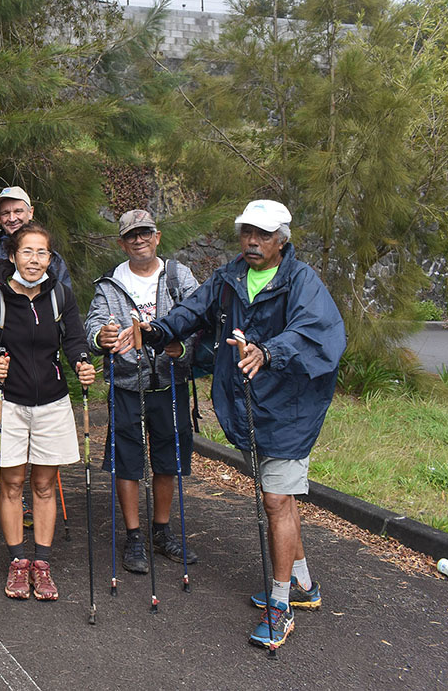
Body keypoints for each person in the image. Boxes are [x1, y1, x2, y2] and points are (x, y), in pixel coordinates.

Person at [141, 199, 345, 650]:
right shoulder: (229, 277)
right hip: (250, 404)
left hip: (291, 407)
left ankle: (279, 606)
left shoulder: (301, 281)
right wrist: (156, 332)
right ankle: (304, 586)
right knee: (283, 499)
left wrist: (269, 351)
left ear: (282, 240)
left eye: (264, 235)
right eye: (247, 233)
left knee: (274, 500)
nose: (253, 242)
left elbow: (314, 332)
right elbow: (191, 312)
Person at [0, 222, 95, 601]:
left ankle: (41, 565)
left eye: (42, 253)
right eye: (27, 251)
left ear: (50, 259)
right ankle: (17, 562)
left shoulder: (60, 295)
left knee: (43, 485)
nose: (34, 260)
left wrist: (83, 362)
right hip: (7, 400)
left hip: (52, 402)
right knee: (10, 484)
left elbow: (74, 340)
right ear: (12, 256)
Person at [84, 209, 201, 573]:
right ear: (122, 242)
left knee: (169, 458)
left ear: (157, 236)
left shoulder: (179, 276)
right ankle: (134, 537)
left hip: (170, 381)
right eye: (131, 235)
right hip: (125, 383)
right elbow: (93, 326)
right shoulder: (109, 284)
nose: (139, 239)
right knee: (127, 460)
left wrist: (181, 348)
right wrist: (100, 337)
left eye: (145, 232)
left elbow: (200, 319)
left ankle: (162, 532)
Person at [0, 186, 73, 530]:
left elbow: (62, 306)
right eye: (4, 213)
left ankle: (24, 494)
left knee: (32, 430)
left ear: (30, 211)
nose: (11, 218)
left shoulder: (50, 256)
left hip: (34, 358)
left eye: (17, 211)